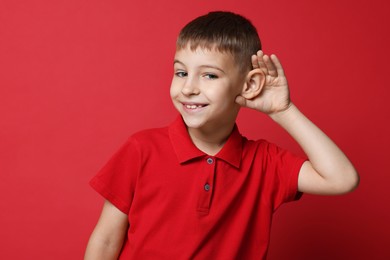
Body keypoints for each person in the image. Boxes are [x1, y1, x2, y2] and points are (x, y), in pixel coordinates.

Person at [84, 11, 359, 259]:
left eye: (210, 76)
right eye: (181, 72)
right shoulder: (141, 148)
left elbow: (341, 179)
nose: (188, 87)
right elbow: (106, 241)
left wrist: (283, 110)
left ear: (250, 84)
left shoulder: (264, 163)